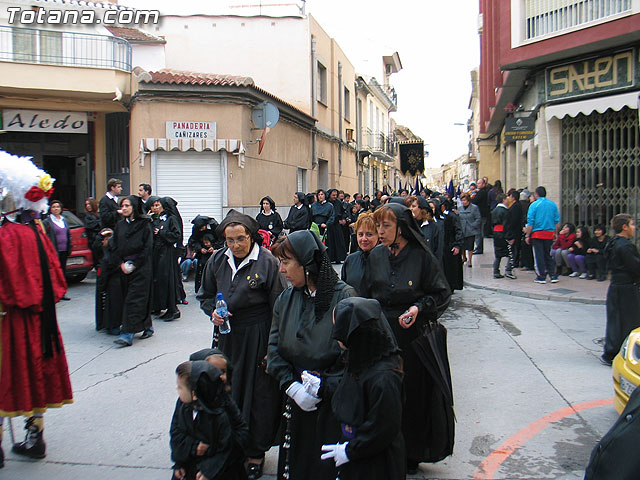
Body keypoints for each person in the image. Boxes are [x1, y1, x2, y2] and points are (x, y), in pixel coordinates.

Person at [360, 203, 451, 474]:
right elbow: (366, 294)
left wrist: (418, 308)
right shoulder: (376, 256)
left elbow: (441, 293)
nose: (380, 231)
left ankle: (411, 451)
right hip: (381, 335)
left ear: (402, 228)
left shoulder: (422, 257)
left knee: (410, 395)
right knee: (382, 394)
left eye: (386, 226)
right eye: (378, 226)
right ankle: (381, 445)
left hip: (410, 338)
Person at [198, 210, 287, 479]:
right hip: (226, 336)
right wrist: (212, 311)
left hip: (258, 335)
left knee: (259, 395)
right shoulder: (217, 260)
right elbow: (205, 295)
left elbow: (279, 305)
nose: (235, 245)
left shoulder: (267, 262)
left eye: (241, 239)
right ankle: (230, 446)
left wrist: (273, 348)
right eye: (229, 240)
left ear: (252, 237)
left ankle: (255, 452)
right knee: (228, 390)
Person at [0, 152, 73, 463]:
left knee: (5, 377)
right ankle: (35, 436)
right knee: (37, 375)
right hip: (41, 321)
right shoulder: (38, 232)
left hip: (6, 319)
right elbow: (57, 281)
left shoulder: (4, 234)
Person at [268, 231, 357, 480]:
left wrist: (324, 386)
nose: (282, 270)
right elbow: (274, 349)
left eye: (286, 263)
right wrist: (292, 386)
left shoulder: (344, 298)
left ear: (307, 265)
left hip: (330, 403)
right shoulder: (285, 300)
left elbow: (355, 356)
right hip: (295, 398)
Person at [321, 297, 405, 479]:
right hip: (356, 452)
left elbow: (383, 426)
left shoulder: (384, 377)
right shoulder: (360, 360)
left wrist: (352, 450)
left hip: (376, 462)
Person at [170, 360, 249, 480]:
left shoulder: (220, 413)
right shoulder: (182, 405)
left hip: (219, 470)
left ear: (195, 394)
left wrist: (209, 470)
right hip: (189, 465)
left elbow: (227, 447)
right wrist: (180, 461)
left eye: (180, 387)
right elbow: (176, 432)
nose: (177, 389)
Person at [110, 196, 154, 346]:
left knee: (134, 299)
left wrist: (134, 264)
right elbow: (114, 246)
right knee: (132, 298)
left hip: (141, 267)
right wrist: (121, 263)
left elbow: (147, 248)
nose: (124, 208)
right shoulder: (120, 225)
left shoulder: (144, 225)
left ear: (134, 207)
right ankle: (147, 326)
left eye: (127, 205)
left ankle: (128, 333)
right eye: (122, 205)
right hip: (124, 267)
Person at [600, 214, 640, 366]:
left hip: (616, 286)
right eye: (632, 224)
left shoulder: (612, 242)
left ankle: (611, 351)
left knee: (616, 320)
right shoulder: (625, 246)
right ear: (625, 227)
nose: (634, 228)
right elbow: (635, 267)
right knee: (629, 321)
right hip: (626, 287)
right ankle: (623, 353)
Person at [150, 197, 182, 321]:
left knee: (168, 281)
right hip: (159, 254)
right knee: (161, 281)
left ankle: (173, 309)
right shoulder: (160, 218)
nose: (156, 207)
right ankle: (167, 308)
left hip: (167, 254)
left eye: (159, 205)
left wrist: (161, 233)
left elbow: (176, 235)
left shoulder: (171, 219)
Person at [525, 186, 561, 284]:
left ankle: (542, 276)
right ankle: (553, 275)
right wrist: (555, 232)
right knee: (548, 254)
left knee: (539, 255)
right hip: (549, 233)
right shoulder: (552, 205)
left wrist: (527, 235)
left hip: (537, 233)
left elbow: (531, 222)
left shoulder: (534, 205)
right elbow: (556, 220)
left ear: (536, 194)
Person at [341, 212, 378, 294]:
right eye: (360, 234)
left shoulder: (386, 260)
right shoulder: (350, 260)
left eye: (369, 234)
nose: (364, 239)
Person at [43, 199, 72, 300]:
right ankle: (53, 293)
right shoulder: (47, 221)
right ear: (50, 209)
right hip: (54, 251)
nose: (56, 209)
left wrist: (69, 247)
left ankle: (62, 293)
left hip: (64, 250)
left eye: (58, 207)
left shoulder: (63, 220)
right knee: (54, 273)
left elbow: (68, 234)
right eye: (54, 207)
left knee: (62, 272)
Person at [440, 199, 464, 291]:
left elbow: (458, 230)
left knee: (452, 269)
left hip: (451, 245)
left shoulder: (452, 216)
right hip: (444, 246)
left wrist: (457, 245)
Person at [490, 193, 512, 279]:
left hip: (496, 233)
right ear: (503, 200)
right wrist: (509, 237)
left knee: (498, 254)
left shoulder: (494, 210)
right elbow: (507, 225)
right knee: (510, 253)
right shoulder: (505, 211)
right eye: (506, 199)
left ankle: (496, 270)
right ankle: (508, 270)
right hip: (503, 233)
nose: (508, 200)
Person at [457, 193, 481, 268]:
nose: (463, 202)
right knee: (462, 246)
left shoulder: (474, 208)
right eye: (462, 200)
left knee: (470, 246)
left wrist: (473, 225)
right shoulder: (460, 208)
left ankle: (470, 260)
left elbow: (478, 218)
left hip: (470, 230)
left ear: (468, 200)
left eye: (465, 200)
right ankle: (464, 258)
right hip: (462, 229)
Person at [504, 191, 523, 275]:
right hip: (516, 230)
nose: (509, 198)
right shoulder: (516, 206)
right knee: (514, 247)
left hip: (515, 231)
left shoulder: (515, 207)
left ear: (513, 197)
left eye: (510, 196)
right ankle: (514, 262)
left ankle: (513, 263)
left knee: (514, 248)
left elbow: (513, 220)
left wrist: (510, 232)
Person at [326, 189, 347, 263]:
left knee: (338, 242)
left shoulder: (338, 202)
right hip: (329, 225)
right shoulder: (327, 203)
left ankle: (339, 258)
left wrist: (343, 218)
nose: (335, 197)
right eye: (333, 195)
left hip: (337, 225)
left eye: (336, 195)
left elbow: (343, 212)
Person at [471, 178, 489, 254]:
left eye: (479, 183)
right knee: (479, 232)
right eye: (477, 183)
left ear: (483, 184)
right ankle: (478, 247)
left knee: (479, 232)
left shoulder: (482, 192)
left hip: (481, 214)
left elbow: (474, 201)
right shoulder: (480, 192)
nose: (477, 185)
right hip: (481, 214)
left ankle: (479, 248)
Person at [82, 197, 102, 265]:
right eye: (86, 204)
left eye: (89, 204)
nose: (88, 206)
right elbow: (91, 226)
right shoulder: (87, 216)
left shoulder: (98, 215)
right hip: (93, 241)